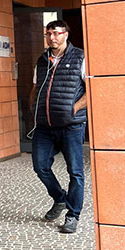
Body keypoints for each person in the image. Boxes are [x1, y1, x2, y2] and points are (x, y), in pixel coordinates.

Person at [28, 20, 87, 234]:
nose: (52, 37)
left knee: (75, 172)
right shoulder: (42, 60)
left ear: (66, 35)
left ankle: (73, 215)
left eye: (56, 33)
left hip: (71, 126)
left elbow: (92, 89)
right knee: (40, 166)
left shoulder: (80, 57)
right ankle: (60, 198)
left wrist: (74, 108)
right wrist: (34, 108)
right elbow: (35, 87)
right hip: (45, 126)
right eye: (49, 33)